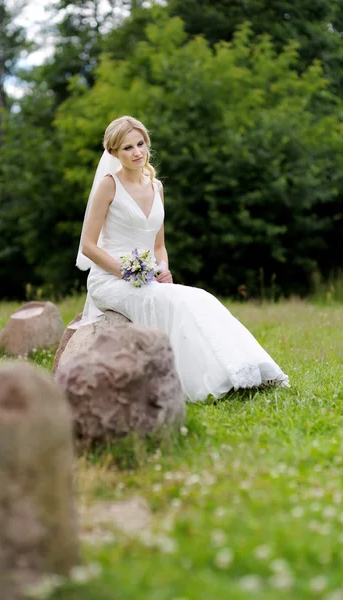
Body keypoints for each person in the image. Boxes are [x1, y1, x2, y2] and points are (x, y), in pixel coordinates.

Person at [77, 115, 289, 402]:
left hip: (148, 275)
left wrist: (163, 269)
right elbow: (89, 246)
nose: (137, 152)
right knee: (171, 302)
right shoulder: (109, 185)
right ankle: (203, 383)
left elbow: (159, 244)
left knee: (200, 297)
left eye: (141, 144)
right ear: (113, 152)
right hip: (110, 279)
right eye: (127, 148)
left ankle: (246, 370)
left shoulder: (156, 187)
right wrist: (128, 273)